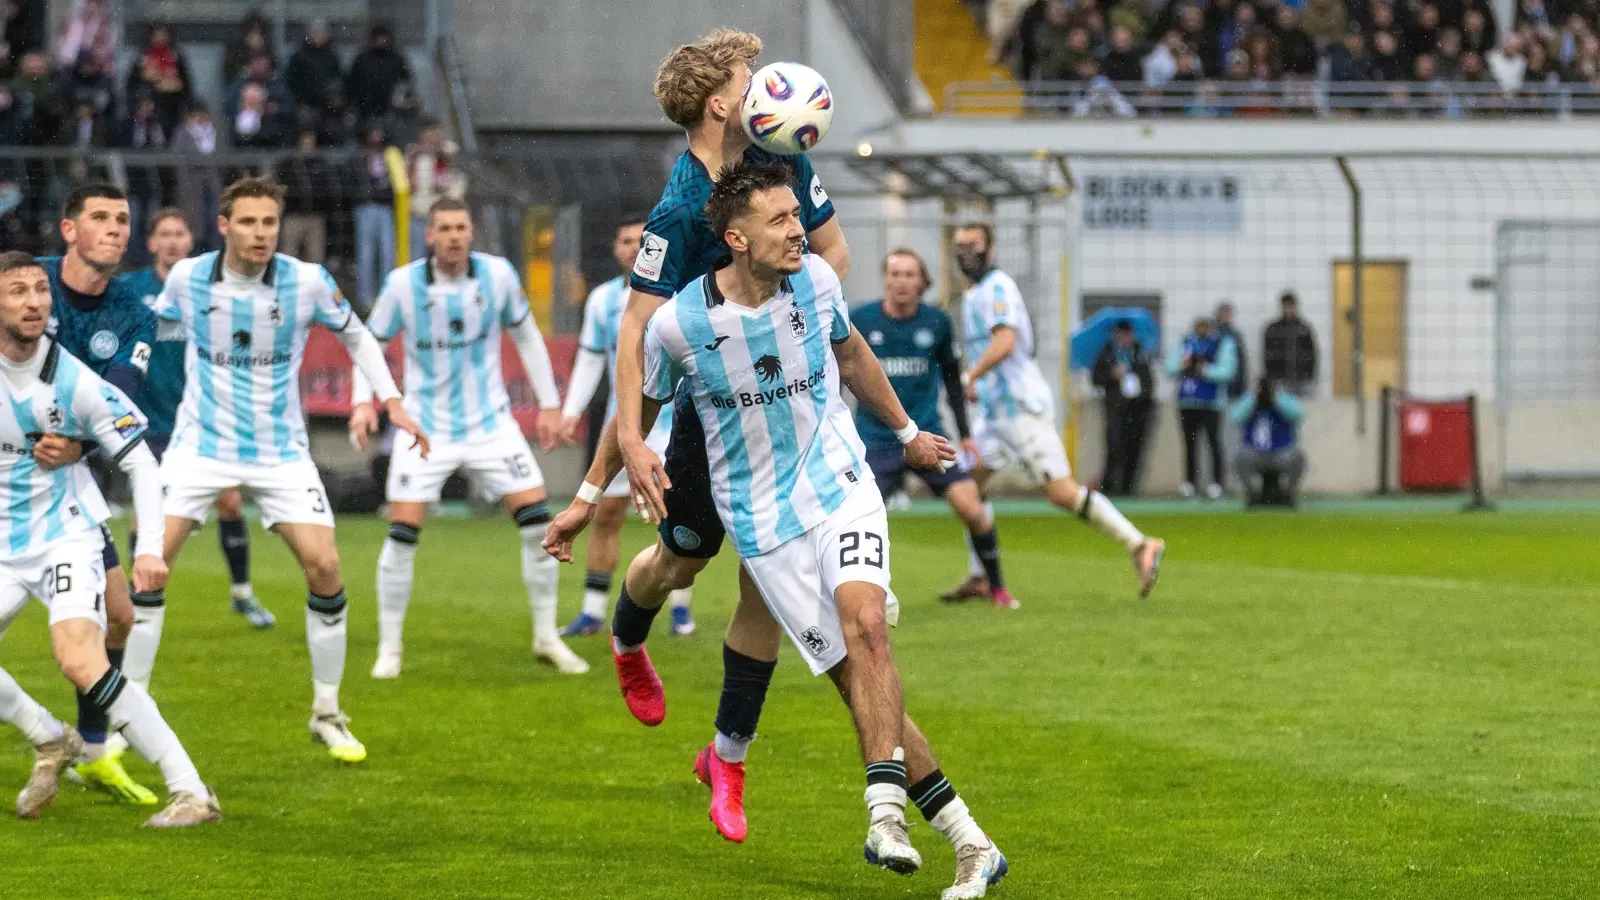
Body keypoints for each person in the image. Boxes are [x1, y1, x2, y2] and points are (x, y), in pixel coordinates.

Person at [546, 163, 1009, 899]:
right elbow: (627, 416)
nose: (800, 229)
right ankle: (969, 840)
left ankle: (882, 810)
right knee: (853, 680)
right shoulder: (679, 326)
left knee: (868, 627)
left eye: (799, 215)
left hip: (840, 487)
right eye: (781, 220)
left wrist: (910, 431)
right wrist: (585, 495)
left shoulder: (818, 285)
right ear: (736, 238)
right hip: (762, 526)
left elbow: (853, 356)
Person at [575, 29, 852, 816]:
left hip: (789, 399)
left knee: (764, 577)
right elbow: (636, 328)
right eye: (750, 76)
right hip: (710, 410)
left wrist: (800, 328)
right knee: (679, 562)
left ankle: (727, 759)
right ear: (720, 103)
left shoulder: (786, 161)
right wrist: (630, 438)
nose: (767, 85)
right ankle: (629, 641)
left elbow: (834, 250)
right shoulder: (678, 208)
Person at [130, 177, 430, 763]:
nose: (260, 233)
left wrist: (390, 400)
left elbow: (359, 338)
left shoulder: (307, 281)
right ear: (223, 225)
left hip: (281, 451)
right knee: (150, 568)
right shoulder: (189, 279)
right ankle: (129, 712)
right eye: (248, 222)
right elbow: (152, 334)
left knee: (324, 565)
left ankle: (327, 712)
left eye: (269, 222)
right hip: (199, 446)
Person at [0, 251, 219, 827]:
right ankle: (50, 737)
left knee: (80, 660)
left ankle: (191, 790)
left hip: (64, 537)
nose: (33, 302)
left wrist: (149, 548)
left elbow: (144, 465)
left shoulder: (73, 379)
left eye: (39, 291)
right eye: (17, 291)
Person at [349, 197, 584, 679]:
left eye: (461, 226)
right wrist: (361, 402)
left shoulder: (496, 276)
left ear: (471, 231)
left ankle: (546, 637)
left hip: (491, 426)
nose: (454, 236)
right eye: (444, 228)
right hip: (425, 429)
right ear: (429, 236)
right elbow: (368, 346)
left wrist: (550, 403)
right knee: (402, 535)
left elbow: (525, 337)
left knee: (541, 526)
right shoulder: (402, 285)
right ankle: (390, 648)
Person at [952, 222, 1164, 602]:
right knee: (967, 490)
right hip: (995, 413)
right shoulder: (973, 296)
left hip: (1020, 409)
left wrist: (971, 375)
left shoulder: (998, 287)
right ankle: (980, 574)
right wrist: (977, 385)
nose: (966, 252)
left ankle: (1140, 544)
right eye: (960, 246)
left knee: (1062, 492)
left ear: (991, 249)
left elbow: (1005, 340)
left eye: (974, 244)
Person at [36, 184, 162, 804]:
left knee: (118, 615)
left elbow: (118, 397)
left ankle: (89, 750)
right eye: (101, 218)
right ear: (68, 229)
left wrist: (78, 447)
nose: (115, 229)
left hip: (66, 476)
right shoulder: (27, 284)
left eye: (123, 219)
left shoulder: (134, 313)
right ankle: (49, 734)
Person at [118, 208, 268, 629]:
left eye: (178, 233)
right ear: (150, 243)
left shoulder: (207, 289)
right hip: (147, 418)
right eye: (162, 234)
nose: (171, 241)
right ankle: (137, 596)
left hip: (203, 418)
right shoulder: (130, 290)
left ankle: (242, 593)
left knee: (230, 501)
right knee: (145, 511)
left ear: (190, 241)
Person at [851, 248, 1014, 607]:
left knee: (972, 507)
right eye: (894, 273)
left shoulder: (937, 323)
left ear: (922, 283)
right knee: (857, 520)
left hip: (928, 436)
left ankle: (997, 587)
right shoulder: (859, 319)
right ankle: (861, 596)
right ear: (885, 279)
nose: (901, 281)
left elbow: (954, 383)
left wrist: (966, 435)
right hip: (876, 440)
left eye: (909, 275)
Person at [557, 213, 693, 638]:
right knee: (606, 513)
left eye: (641, 240)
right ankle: (594, 612)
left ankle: (679, 613)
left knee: (679, 516)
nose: (633, 247)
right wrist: (571, 410)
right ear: (615, 249)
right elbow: (590, 359)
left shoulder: (679, 291)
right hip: (626, 423)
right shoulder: (601, 300)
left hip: (677, 423)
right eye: (624, 240)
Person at [1169, 316, 1237, 500]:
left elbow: (1228, 371)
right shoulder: (1186, 343)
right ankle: (1189, 482)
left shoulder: (1222, 343)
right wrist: (1183, 365)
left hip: (1211, 402)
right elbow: (1170, 367)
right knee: (1189, 445)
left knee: (1213, 442)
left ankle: (1217, 483)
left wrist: (1205, 370)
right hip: (1187, 402)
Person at [1091, 319, 1154, 497]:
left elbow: (1148, 380)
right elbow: (1096, 378)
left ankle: (1128, 488)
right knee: (1114, 446)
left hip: (1137, 409)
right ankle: (1108, 487)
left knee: (1134, 448)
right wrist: (1112, 375)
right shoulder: (1107, 353)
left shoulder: (1139, 353)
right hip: (1115, 408)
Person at [1230, 376, 1307, 506]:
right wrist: (1254, 398)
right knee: (1240, 456)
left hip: (1281, 451)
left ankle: (1287, 494)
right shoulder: (1250, 400)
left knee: (1297, 456)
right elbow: (1234, 418)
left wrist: (1275, 399)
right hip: (1254, 451)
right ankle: (1252, 494)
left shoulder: (1282, 399)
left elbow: (1299, 415)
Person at [346, 25, 411, 121]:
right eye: (378, 38)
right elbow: (352, 82)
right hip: (365, 108)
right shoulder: (362, 59)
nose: (381, 41)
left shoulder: (397, 59)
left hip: (390, 108)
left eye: (383, 38)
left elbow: (405, 82)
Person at [1262, 290, 1317, 397]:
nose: (1290, 310)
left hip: (1302, 379)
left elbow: (1312, 353)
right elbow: (1267, 355)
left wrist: (1309, 374)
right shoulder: (1273, 329)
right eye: (1287, 306)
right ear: (1282, 307)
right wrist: (1271, 376)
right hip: (1279, 379)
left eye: (1292, 306)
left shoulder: (1304, 328)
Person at [1214, 301, 1247, 402]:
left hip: (1235, 383)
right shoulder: (1213, 333)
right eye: (1224, 313)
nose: (1226, 316)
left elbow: (1241, 361)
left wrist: (1242, 382)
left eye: (1228, 313)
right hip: (1218, 384)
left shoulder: (1236, 334)